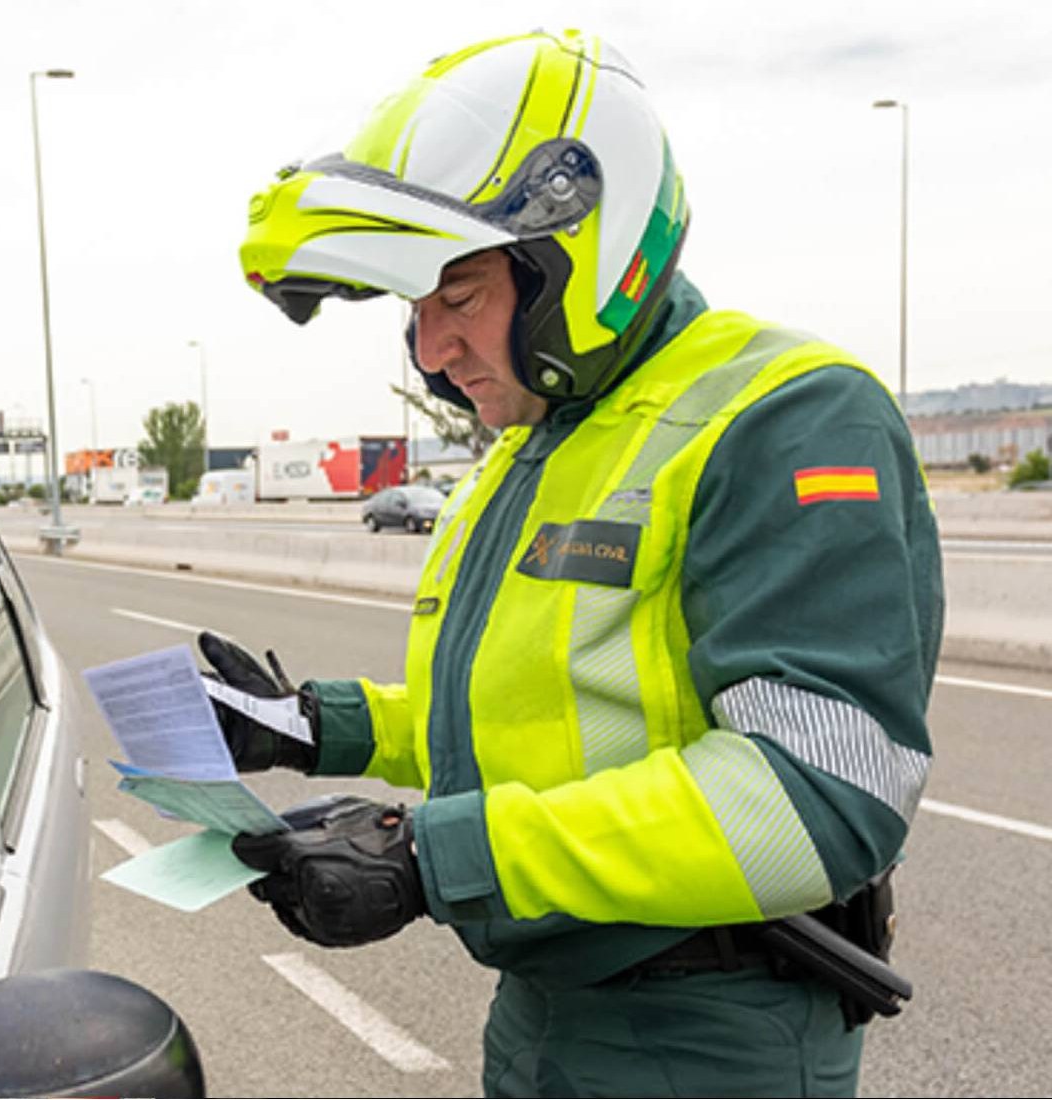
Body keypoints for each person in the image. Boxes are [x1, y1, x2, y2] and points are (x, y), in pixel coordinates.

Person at [211, 29, 942, 1097]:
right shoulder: (546, 437)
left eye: (455, 298)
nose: (428, 351)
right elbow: (535, 710)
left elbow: (816, 795)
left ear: (578, 257)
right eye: (415, 311)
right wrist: (320, 723)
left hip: (709, 1030)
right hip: (551, 1010)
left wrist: (432, 856)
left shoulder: (782, 413)